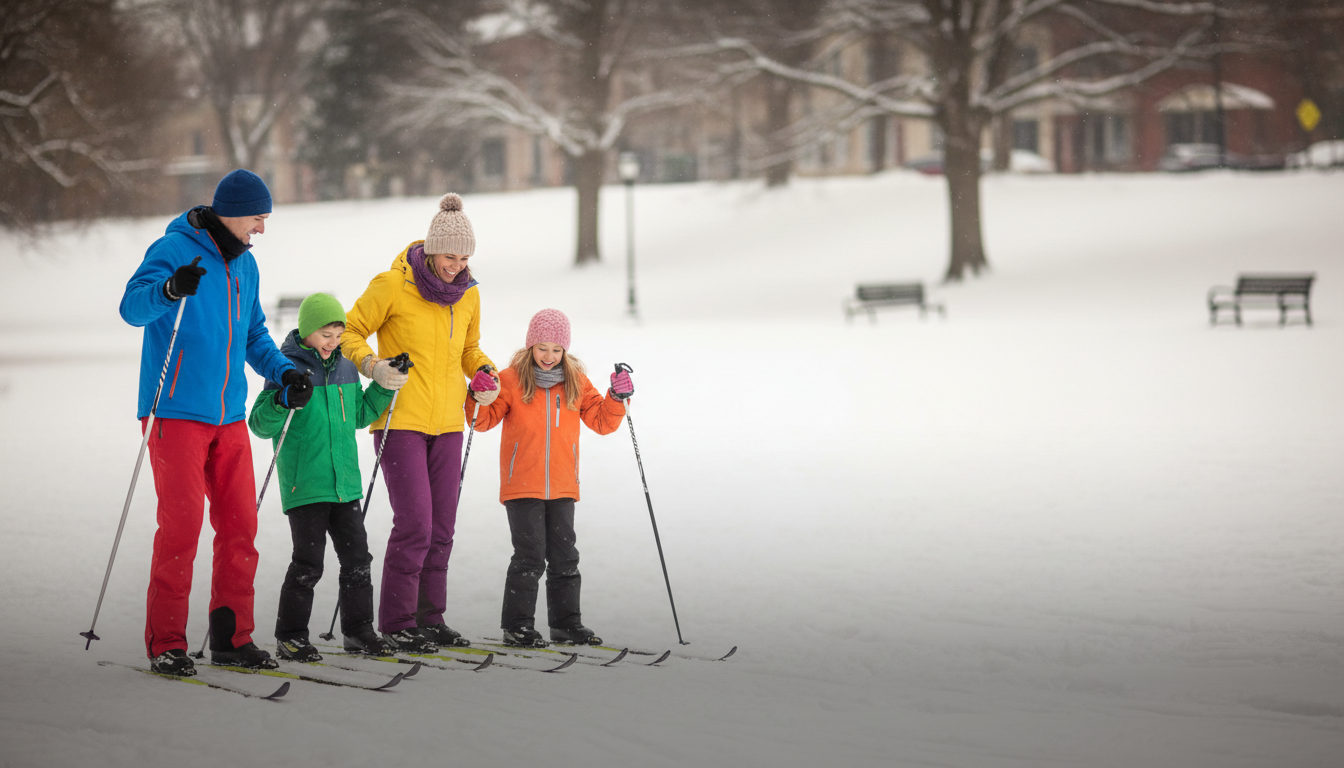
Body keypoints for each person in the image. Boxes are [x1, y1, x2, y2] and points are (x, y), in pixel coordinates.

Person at [119, 169, 309, 676]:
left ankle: (231, 637)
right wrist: (169, 288)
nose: (261, 230)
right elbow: (131, 308)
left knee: (240, 527)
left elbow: (253, 337)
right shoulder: (173, 248)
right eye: (257, 218)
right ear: (232, 211)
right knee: (181, 528)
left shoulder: (245, 268)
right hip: (175, 411)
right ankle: (167, 643)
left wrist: (285, 370)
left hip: (228, 416)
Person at [341, 193, 497, 653]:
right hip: (400, 421)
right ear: (432, 249)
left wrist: (485, 374)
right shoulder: (392, 285)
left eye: (465, 257)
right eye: (450, 255)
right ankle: (397, 621)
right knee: (415, 524)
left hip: (448, 422)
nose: (457, 265)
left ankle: (431, 618)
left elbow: (470, 351)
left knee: (442, 527)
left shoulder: (468, 295)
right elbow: (349, 330)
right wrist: (373, 367)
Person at [247, 293, 405, 662]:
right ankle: (290, 636)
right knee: (308, 563)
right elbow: (259, 424)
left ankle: (359, 631)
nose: (333, 342)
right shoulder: (284, 367)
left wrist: (385, 385)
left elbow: (361, 415)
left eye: (338, 334)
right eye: (325, 335)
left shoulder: (347, 367)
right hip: (306, 484)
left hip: (345, 484)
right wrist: (284, 398)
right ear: (306, 332)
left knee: (358, 560)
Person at [469, 309, 633, 648]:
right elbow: (481, 422)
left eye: (556, 350)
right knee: (529, 556)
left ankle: (566, 624)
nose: (548, 356)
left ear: (565, 351)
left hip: (561, 485)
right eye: (542, 348)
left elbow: (602, 422)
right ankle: (517, 626)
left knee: (565, 557)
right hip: (522, 485)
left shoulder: (575, 381)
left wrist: (616, 398)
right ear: (530, 346)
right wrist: (478, 395)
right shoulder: (511, 379)